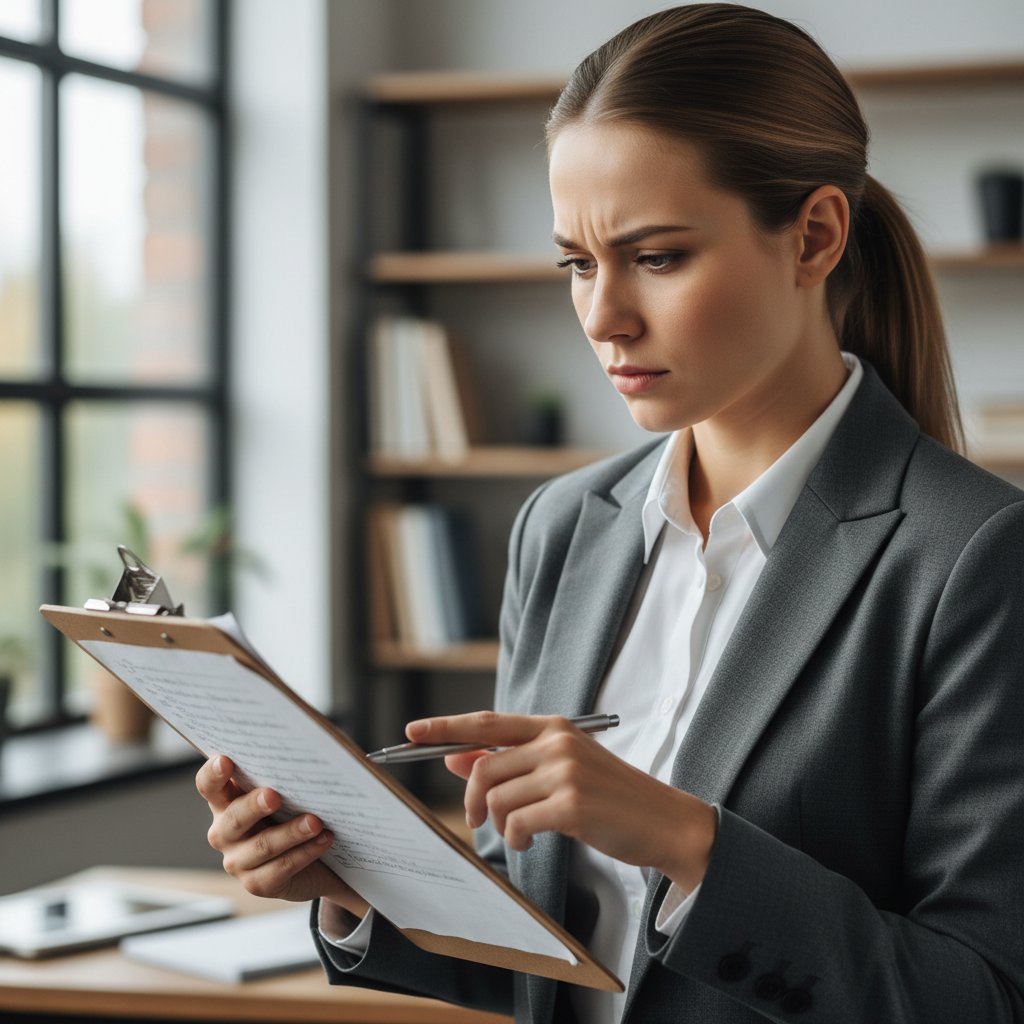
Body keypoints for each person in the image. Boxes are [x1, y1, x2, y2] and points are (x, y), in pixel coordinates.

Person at [195, 5, 1024, 1022]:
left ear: (813, 236)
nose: (602, 317)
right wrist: (353, 881)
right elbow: (545, 946)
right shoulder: (565, 525)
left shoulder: (973, 556)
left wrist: (688, 842)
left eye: (657, 256)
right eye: (577, 264)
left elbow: (981, 995)